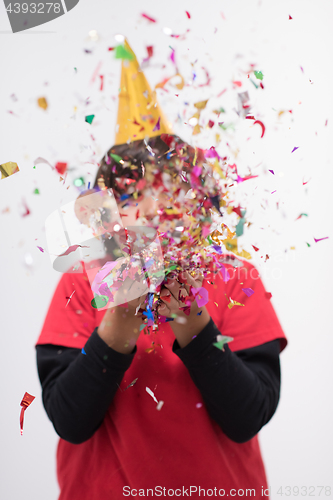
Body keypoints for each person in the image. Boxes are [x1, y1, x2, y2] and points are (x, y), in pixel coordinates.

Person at [36, 40, 287, 500]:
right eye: (132, 195)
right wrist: (120, 320)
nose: (151, 211)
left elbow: (248, 416)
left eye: (169, 190)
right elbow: (69, 422)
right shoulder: (80, 281)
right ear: (106, 212)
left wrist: (193, 321)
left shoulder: (237, 278)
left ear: (200, 206)